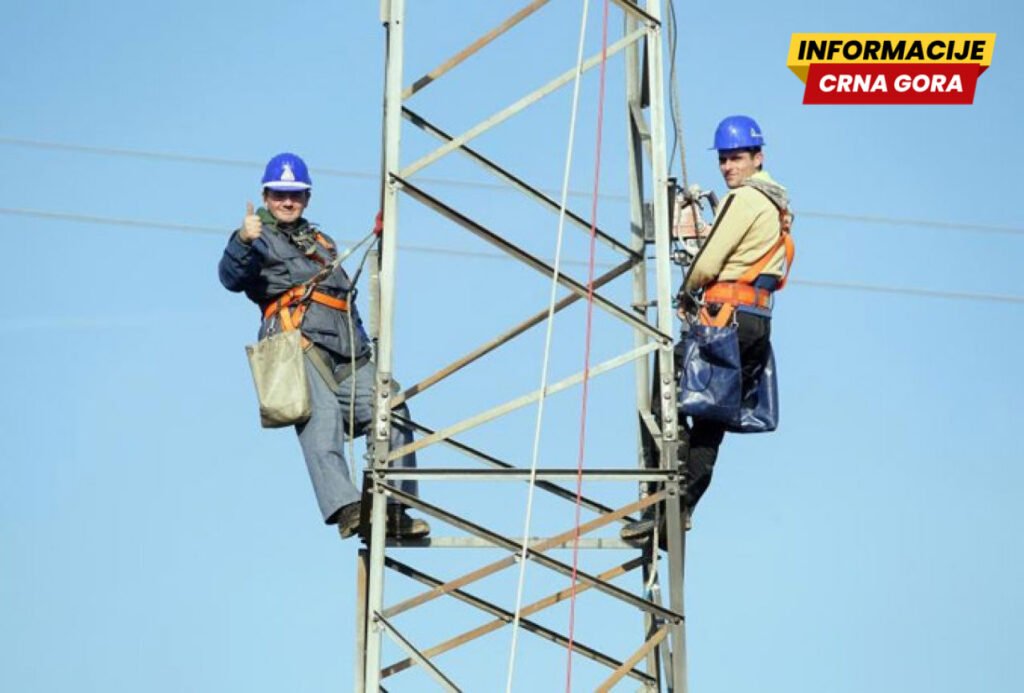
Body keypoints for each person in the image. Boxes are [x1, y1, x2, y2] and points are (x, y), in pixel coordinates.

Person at [219, 152, 429, 540]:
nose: (287, 201)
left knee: (391, 408)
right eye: (279, 194)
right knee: (323, 418)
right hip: (299, 345)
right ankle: (348, 508)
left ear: (306, 198)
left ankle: (394, 507)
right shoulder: (258, 239)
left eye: (295, 194)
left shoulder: (320, 241)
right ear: (266, 197)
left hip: (348, 351)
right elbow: (231, 277)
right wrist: (241, 240)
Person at [622, 115, 792, 543]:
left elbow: (710, 261)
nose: (728, 167)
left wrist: (686, 292)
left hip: (725, 321)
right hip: (755, 324)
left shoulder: (746, 199)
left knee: (667, 393)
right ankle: (680, 511)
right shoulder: (777, 204)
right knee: (711, 420)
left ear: (757, 158)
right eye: (723, 159)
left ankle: (661, 504)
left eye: (736, 158)